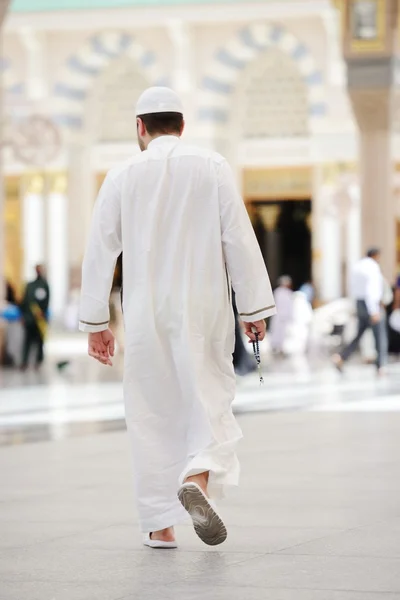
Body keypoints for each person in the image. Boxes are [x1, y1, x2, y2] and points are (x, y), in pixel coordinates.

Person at [79, 86, 275, 549]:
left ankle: (159, 526)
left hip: (146, 311)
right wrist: (253, 308)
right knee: (208, 396)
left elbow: (99, 250)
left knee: (150, 409)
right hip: (203, 305)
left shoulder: (121, 175)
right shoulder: (212, 166)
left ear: (140, 128)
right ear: (182, 127)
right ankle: (198, 479)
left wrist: (95, 324)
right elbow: (238, 240)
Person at [332, 248, 387, 374]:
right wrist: (374, 310)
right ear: (375, 256)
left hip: (359, 303)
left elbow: (353, 287)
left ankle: (342, 357)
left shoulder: (357, 267)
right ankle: (380, 366)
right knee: (380, 336)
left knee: (359, 334)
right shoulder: (372, 267)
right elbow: (371, 290)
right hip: (370, 304)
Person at [20, 265, 50, 370]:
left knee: (39, 341)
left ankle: (38, 361)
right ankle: (24, 362)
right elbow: (24, 302)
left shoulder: (44, 285)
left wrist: (43, 314)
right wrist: (23, 316)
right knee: (27, 341)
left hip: (40, 320)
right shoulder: (30, 285)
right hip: (29, 319)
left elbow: (47, 302)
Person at [269, 275, 294, 355]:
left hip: (284, 316)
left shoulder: (288, 293)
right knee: (276, 331)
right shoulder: (278, 292)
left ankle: (280, 347)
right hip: (278, 315)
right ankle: (274, 346)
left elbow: (290, 306)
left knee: (283, 333)